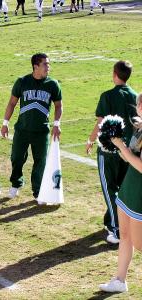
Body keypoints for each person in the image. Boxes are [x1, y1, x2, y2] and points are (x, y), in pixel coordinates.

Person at [86, 60, 137, 244]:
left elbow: (100, 122)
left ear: (115, 74)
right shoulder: (134, 96)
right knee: (121, 190)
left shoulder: (107, 95)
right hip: (128, 153)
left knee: (109, 189)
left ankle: (116, 230)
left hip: (108, 151)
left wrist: (91, 140)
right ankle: (112, 222)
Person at [1, 53, 62, 201]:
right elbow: (11, 103)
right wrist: (5, 123)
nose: (48, 67)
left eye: (49, 64)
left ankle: (37, 191)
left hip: (42, 131)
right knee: (16, 158)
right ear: (36, 66)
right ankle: (16, 183)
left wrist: (56, 124)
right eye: (45, 64)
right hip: (22, 129)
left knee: (40, 162)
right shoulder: (22, 82)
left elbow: (58, 105)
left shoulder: (52, 84)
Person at [99, 93, 142, 293]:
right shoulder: (139, 129)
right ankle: (120, 280)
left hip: (140, 194)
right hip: (128, 189)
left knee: (140, 243)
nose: (141, 106)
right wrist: (113, 143)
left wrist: (121, 147)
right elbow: (128, 159)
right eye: (140, 103)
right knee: (124, 236)